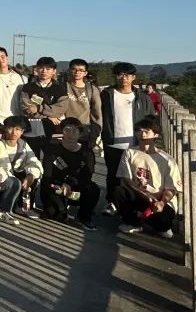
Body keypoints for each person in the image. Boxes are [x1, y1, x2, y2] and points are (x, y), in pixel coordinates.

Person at [111, 115, 182, 238]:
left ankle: (153, 221)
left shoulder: (167, 160)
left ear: (155, 135)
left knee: (163, 223)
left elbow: (171, 188)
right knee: (118, 191)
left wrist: (162, 202)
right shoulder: (130, 152)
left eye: (146, 132)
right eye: (139, 131)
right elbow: (127, 179)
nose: (142, 135)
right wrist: (146, 195)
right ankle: (133, 222)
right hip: (140, 194)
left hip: (160, 200)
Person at [100, 62, 154, 212]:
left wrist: (148, 141)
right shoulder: (106, 95)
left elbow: (150, 120)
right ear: (115, 76)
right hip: (112, 142)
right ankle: (112, 203)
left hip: (136, 144)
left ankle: (132, 206)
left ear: (133, 77)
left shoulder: (142, 98)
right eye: (120, 74)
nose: (124, 78)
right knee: (113, 174)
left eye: (128, 75)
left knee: (136, 175)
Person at [39, 117, 100, 230]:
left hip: (76, 187)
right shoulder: (52, 150)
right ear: (62, 131)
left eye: (74, 131)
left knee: (93, 189)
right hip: (56, 186)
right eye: (67, 130)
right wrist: (61, 184)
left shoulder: (87, 152)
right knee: (55, 213)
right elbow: (47, 175)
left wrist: (69, 183)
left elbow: (87, 174)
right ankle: (60, 208)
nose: (70, 134)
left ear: (80, 133)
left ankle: (84, 216)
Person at [45, 58, 103, 149]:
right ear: (70, 70)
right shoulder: (61, 87)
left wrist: (95, 131)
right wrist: (50, 116)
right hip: (63, 131)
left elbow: (97, 112)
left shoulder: (92, 90)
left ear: (85, 73)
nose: (77, 72)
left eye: (81, 70)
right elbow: (49, 104)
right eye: (74, 69)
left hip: (84, 131)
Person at [1, 116, 44, 217]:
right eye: (10, 128)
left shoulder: (23, 144)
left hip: (18, 174)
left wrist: (31, 175)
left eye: (18, 129)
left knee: (33, 176)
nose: (14, 132)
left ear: (22, 131)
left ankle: (25, 207)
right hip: (3, 176)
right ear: (5, 129)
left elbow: (33, 161)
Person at [18, 56, 59, 159]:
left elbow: (60, 108)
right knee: (31, 159)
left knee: (50, 159)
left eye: (48, 69)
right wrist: (48, 116)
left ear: (54, 71)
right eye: (41, 68)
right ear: (37, 69)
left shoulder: (59, 89)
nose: (44, 71)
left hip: (50, 128)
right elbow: (26, 107)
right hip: (31, 128)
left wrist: (40, 110)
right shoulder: (27, 87)